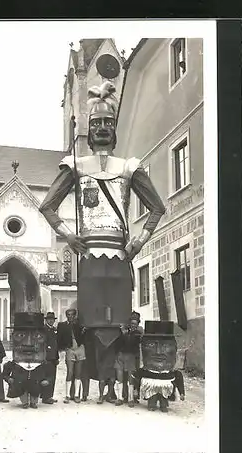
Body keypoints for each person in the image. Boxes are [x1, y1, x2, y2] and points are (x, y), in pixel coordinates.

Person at [39, 81, 165, 394]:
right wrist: (69, 235)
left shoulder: (128, 167)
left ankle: (114, 386)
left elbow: (157, 207)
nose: (102, 129)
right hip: (90, 260)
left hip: (120, 259)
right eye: (96, 123)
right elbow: (48, 206)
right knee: (91, 323)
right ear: (88, 128)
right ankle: (93, 385)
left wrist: (139, 241)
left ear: (115, 128)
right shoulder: (77, 167)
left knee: (119, 324)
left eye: (108, 123)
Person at [3, 312, 49, 409]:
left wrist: (46, 380)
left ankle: (34, 401)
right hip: (20, 377)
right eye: (20, 335)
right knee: (19, 383)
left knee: (36, 384)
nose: (28, 343)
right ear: (12, 337)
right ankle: (24, 401)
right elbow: (5, 374)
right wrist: (8, 379)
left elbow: (49, 375)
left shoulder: (43, 365)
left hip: (36, 377)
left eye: (37, 336)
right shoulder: (13, 365)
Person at [57, 309, 86, 403]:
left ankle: (77, 395)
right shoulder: (62, 325)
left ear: (75, 315)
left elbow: (85, 337)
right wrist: (63, 348)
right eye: (68, 315)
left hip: (80, 349)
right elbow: (59, 339)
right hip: (70, 350)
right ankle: (67, 395)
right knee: (70, 372)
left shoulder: (79, 325)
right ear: (66, 315)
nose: (70, 316)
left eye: (72, 315)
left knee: (78, 373)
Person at [114, 321, 141, 407]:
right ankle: (120, 398)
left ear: (137, 325)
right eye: (132, 324)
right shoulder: (124, 332)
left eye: (135, 324)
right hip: (121, 355)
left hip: (130, 356)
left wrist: (124, 334)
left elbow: (131, 344)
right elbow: (117, 343)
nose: (133, 326)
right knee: (119, 377)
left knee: (131, 378)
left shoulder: (137, 334)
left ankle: (131, 399)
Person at [41, 312, 59, 404]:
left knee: (52, 377)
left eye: (52, 319)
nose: (51, 321)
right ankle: (45, 397)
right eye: (49, 319)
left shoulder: (54, 330)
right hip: (47, 357)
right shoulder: (43, 330)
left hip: (53, 358)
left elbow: (56, 345)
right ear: (46, 320)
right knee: (47, 378)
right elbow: (42, 344)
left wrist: (57, 357)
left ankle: (49, 396)